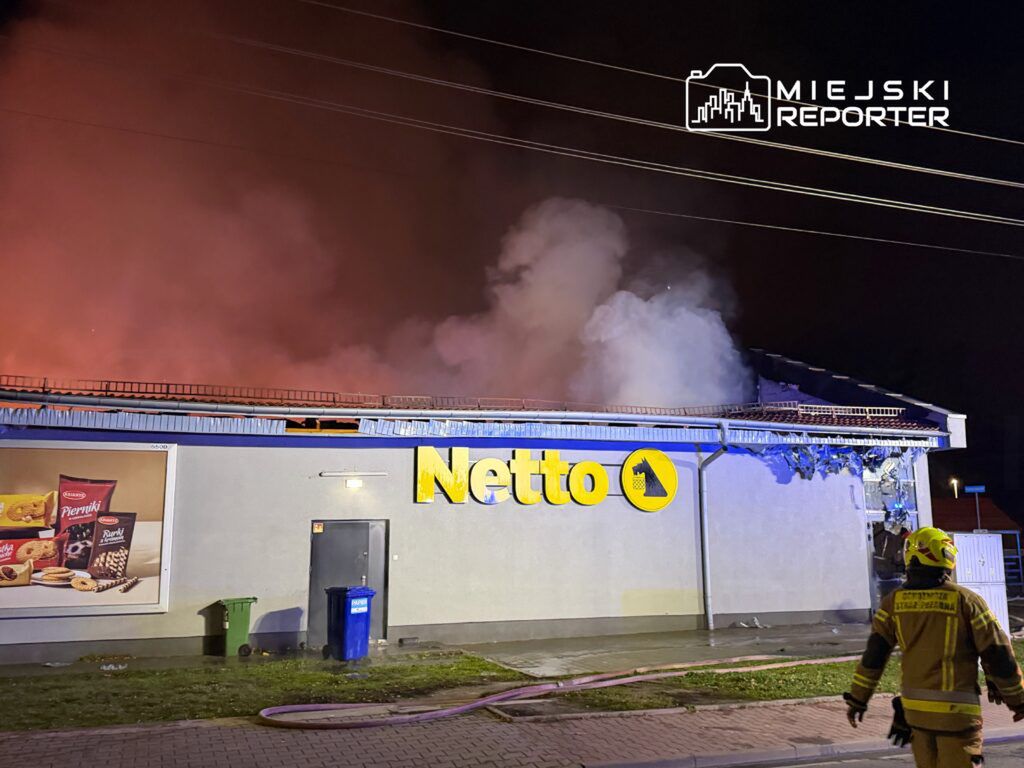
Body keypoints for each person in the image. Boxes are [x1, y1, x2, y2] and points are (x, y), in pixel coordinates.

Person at [844, 526, 1024, 767]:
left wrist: (858, 699)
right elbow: (998, 654)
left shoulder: (893, 603)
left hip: (915, 716)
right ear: (947, 557)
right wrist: (1018, 700)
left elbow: (874, 657)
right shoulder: (966, 601)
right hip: (957, 718)